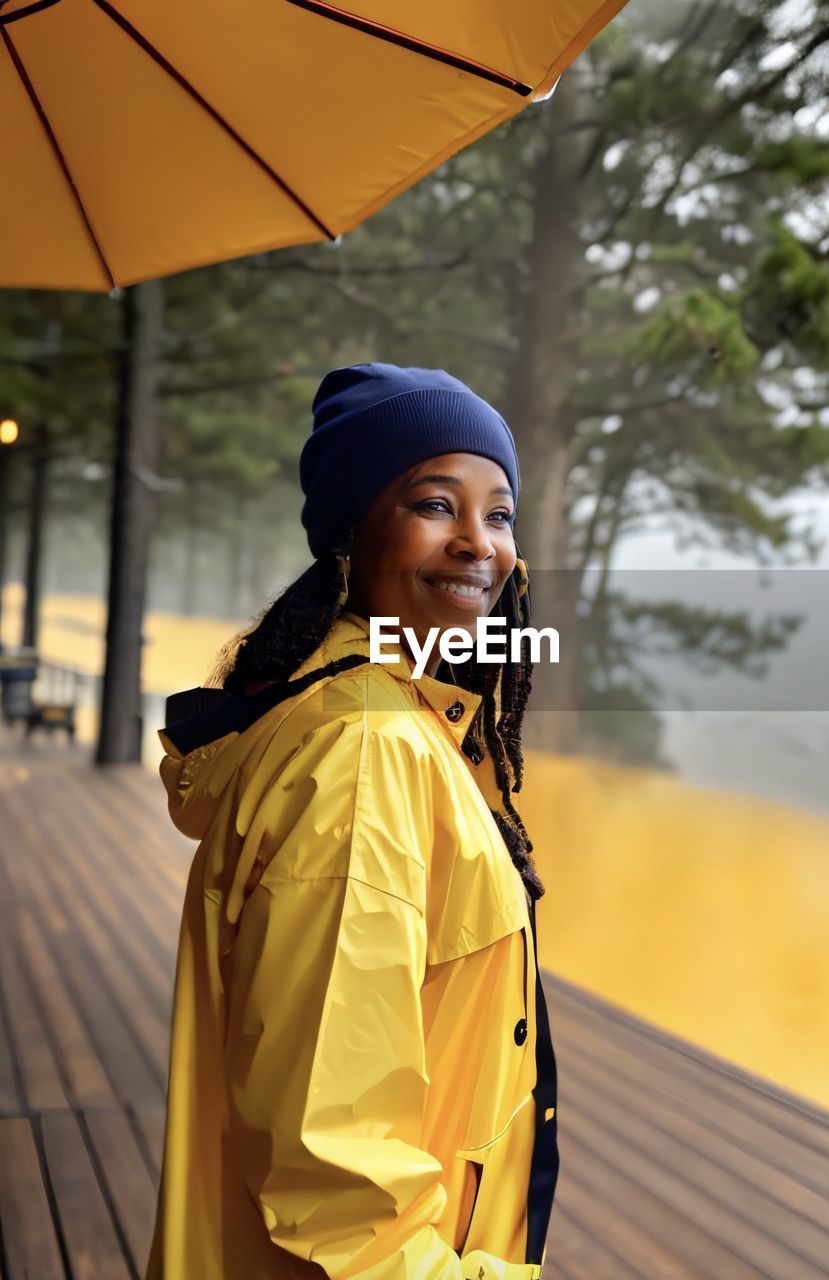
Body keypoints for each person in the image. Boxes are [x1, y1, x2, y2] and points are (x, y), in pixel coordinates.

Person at [146, 364, 559, 1280]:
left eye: (497, 514)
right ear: (351, 536)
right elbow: (337, 1184)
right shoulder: (366, 759)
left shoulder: (387, 721)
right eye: (433, 504)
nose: (476, 543)